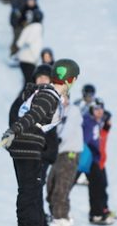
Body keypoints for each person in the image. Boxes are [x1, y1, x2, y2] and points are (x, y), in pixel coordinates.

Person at [2, 58, 80, 226]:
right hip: (28, 148)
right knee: (29, 194)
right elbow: (33, 115)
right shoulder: (48, 94)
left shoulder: (49, 94)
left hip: (30, 148)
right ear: (71, 80)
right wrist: (14, 130)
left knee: (31, 192)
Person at [46, 92, 84, 226]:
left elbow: (67, 130)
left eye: (64, 97)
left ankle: (61, 217)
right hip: (58, 153)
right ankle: (54, 214)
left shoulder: (73, 111)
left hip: (70, 153)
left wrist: (55, 141)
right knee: (50, 184)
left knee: (61, 186)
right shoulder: (56, 112)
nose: (62, 100)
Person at [81, 99, 115, 225]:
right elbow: (86, 141)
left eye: (101, 109)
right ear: (91, 110)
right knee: (97, 187)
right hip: (91, 160)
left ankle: (102, 210)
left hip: (98, 160)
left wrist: (106, 124)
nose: (99, 111)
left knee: (102, 185)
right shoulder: (89, 122)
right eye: (96, 109)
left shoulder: (97, 123)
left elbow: (102, 138)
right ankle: (96, 214)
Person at [16, 0, 44, 86]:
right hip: (29, 58)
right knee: (30, 83)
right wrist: (35, 56)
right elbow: (29, 42)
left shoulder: (29, 27)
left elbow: (19, 43)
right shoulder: (37, 27)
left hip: (24, 58)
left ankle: (23, 99)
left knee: (28, 83)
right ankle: (23, 100)